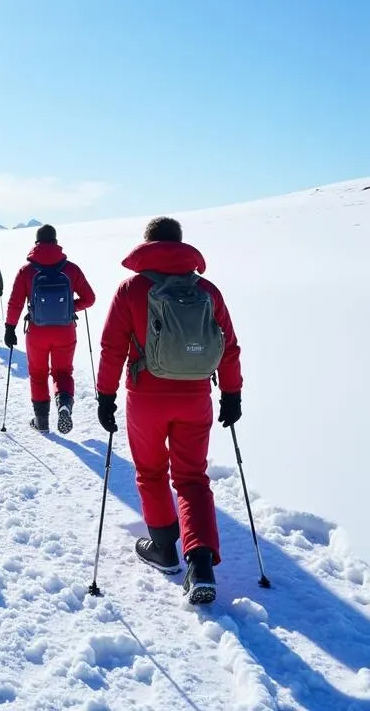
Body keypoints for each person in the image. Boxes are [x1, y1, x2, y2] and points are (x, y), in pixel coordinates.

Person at [95, 216, 242, 605]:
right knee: (192, 478)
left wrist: (104, 396)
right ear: (180, 244)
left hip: (145, 397)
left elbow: (112, 348)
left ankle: (163, 549)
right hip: (195, 397)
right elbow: (228, 346)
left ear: (147, 245)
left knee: (151, 471)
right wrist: (232, 393)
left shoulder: (131, 289)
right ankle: (200, 564)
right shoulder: (207, 290)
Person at [3, 224, 96, 434]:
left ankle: (41, 421)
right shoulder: (71, 269)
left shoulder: (26, 271)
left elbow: (15, 303)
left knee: (37, 374)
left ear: (36, 243)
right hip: (65, 330)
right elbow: (90, 299)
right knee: (63, 372)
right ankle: (64, 403)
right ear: (55, 242)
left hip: (37, 331)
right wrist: (71, 308)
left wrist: (10, 328)